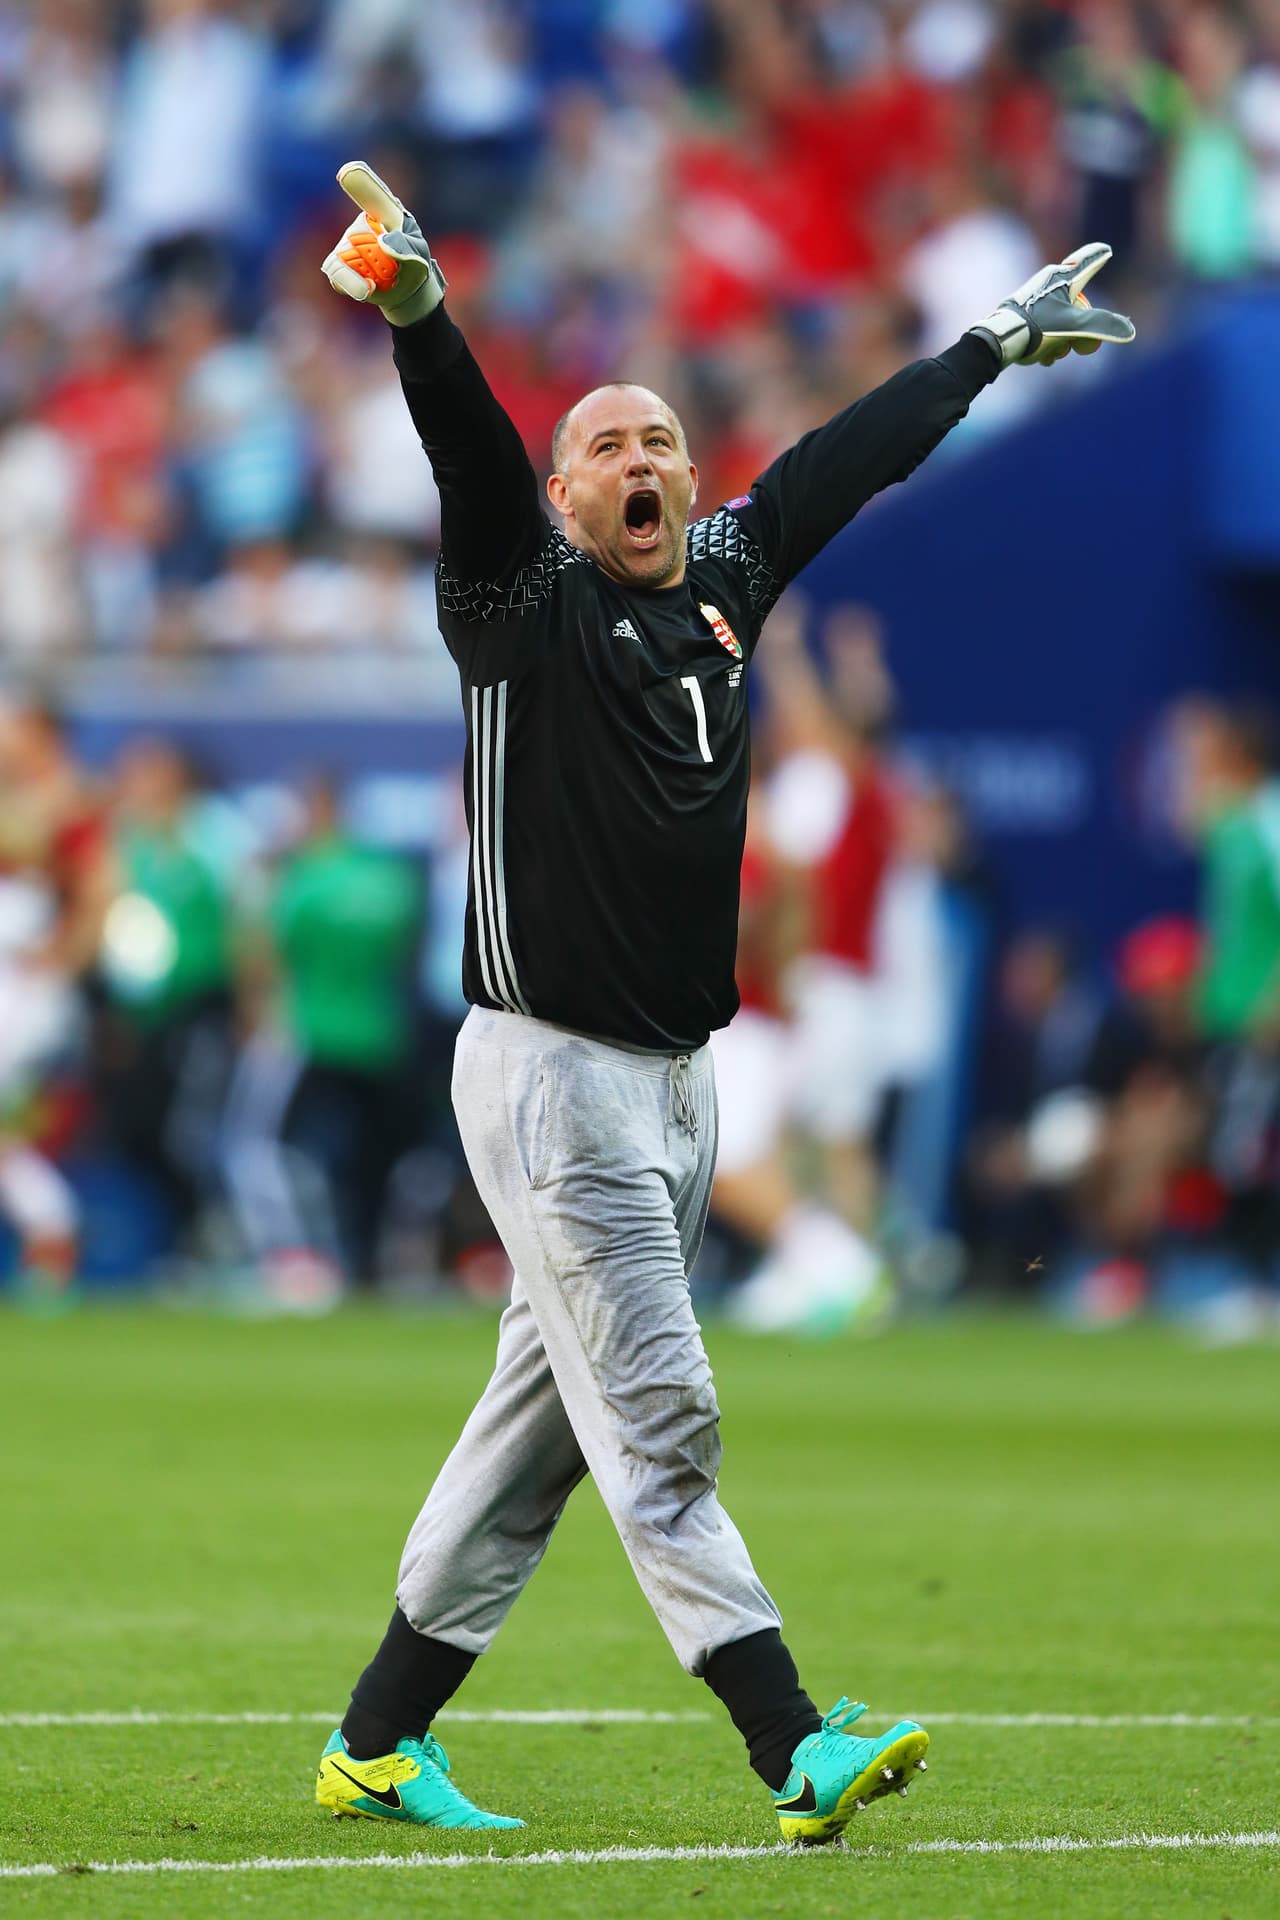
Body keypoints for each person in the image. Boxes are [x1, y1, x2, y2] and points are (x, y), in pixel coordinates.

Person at [311, 160, 1135, 1843]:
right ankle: (787, 1744)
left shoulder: (721, 581)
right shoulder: (514, 603)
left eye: (661, 441)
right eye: (606, 445)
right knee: (660, 1404)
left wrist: (979, 345)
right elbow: (470, 456)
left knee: (543, 1427)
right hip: (550, 1076)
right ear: (560, 496)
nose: (641, 462)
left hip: (675, 1080)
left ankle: (379, 1739)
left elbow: (834, 473)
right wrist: (423, 315)